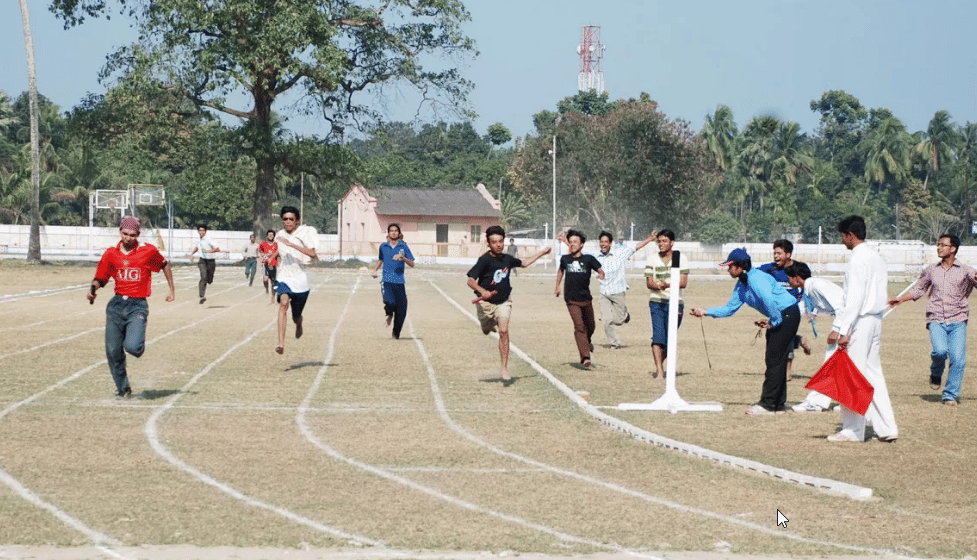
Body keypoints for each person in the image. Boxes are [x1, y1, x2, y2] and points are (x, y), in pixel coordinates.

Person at [690, 248, 800, 415]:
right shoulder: (741, 286)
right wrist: (705, 311)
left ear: (740, 266)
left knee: (774, 359)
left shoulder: (756, 279)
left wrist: (774, 322)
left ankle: (768, 405)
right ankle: (777, 404)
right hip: (782, 315)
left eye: (730, 266)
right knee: (776, 360)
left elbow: (768, 300)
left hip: (787, 314)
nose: (728, 269)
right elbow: (729, 309)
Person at [827, 215, 898, 442]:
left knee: (852, 376)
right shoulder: (875, 256)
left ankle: (853, 430)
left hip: (861, 320)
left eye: (843, 237)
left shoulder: (858, 259)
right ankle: (887, 428)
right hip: (875, 320)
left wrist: (843, 329)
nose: (842, 242)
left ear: (850, 235)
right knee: (873, 375)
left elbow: (854, 299)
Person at [87, 216, 176, 397]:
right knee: (113, 351)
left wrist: (171, 289)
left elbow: (164, 264)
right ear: (120, 232)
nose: (128, 238)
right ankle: (123, 389)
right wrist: (93, 289)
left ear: (138, 234)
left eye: (132, 235)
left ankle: (136, 341)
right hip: (117, 305)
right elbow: (101, 277)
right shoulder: (111, 253)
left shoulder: (147, 252)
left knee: (133, 348)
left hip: (137, 305)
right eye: (125, 234)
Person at [889, 234, 977, 406]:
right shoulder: (931, 270)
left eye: (943, 245)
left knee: (958, 359)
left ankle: (950, 395)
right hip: (936, 318)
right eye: (938, 245)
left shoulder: (966, 270)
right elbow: (918, 289)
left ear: (953, 249)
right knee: (940, 351)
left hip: (958, 319)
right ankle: (936, 372)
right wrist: (900, 299)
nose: (939, 248)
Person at [467, 226, 552, 384]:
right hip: (485, 304)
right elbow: (470, 280)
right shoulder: (484, 260)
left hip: (504, 301)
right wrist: (482, 291)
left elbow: (525, 263)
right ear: (488, 243)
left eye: (500, 241)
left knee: (504, 331)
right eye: (494, 242)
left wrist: (543, 253)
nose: (498, 245)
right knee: (486, 330)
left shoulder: (507, 259)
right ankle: (488, 324)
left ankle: (504, 368)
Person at [785, 262, 845, 412]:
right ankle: (848, 402)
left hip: (847, 324)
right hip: (847, 323)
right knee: (844, 366)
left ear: (797, 278)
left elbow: (842, 306)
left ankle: (816, 403)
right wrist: (777, 322)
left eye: (789, 278)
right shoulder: (809, 288)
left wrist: (837, 330)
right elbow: (801, 308)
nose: (788, 282)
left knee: (830, 363)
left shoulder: (817, 285)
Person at [267, 206, 318, 354]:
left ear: (296, 221)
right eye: (285, 219)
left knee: (296, 316)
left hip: (301, 281)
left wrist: (292, 244)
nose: (288, 222)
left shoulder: (304, 234)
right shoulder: (279, 235)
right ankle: (281, 343)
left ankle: (299, 323)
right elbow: (280, 249)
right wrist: (272, 257)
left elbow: (313, 254)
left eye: (291, 219)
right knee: (283, 303)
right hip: (283, 277)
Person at [759, 239, 811, 380]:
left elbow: (808, 288)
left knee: (783, 334)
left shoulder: (799, 268)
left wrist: (811, 309)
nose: (776, 256)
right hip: (778, 307)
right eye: (774, 253)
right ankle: (798, 340)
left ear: (788, 254)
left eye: (779, 253)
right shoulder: (770, 268)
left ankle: (787, 370)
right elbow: (753, 274)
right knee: (775, 334)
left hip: (796, 305)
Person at [555, 230, 604, 368]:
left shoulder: (588, 259)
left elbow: (600, 270)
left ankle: (586, 343)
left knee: (591, 326)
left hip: (586, 299)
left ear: (582, 244)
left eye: (575, 242)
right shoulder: (565, 259)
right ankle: (585, 356)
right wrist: (557, 286)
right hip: (571, 299)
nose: (572, 244)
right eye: (570, 242)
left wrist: (601, 275)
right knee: (579, 327)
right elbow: (560, 271)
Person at [644, 229, 689, 378]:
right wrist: (657, 286)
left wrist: (668, 284)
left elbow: (683, 282)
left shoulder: (679, 258)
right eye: (659, 241)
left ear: (672, 242)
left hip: (675, 302)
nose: (661, 244)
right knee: (658, 337)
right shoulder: (652, 258)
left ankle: (661, 364)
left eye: (664, 241)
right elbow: (649, 282)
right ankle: (659, 372)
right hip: (656, 302)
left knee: (670, 339)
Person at [373, 223, 414, 339]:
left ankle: (396, 334)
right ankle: (389, 313)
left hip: (400, 282)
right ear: (388, 233)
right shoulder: (383, 246)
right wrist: (375, 270)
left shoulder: (403, 246)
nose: (393, 232)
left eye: (396, 230)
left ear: (399, 233)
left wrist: (403, 258)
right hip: (387, 280)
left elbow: (412, 263)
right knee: (390, 302)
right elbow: (381, 259)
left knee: (402, 310)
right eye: (391, 230)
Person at [189, 224, 220, 304]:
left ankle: (209, 280)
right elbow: (197, 247)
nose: (201, 232)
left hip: (210, 261)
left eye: (203, 230)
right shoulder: (198, 239)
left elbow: (217, 249)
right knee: (203, 277)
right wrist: (192, 253)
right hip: (202, 261)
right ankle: (202, 296)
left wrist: (208, 251)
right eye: (200, 230)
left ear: (205, 231)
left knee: (209, 280)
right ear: (198, 231)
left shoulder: (209, 239)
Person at [259, 229, 278, 303]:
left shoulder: (276, 244)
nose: (270, 236)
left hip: (273, 265)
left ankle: (273, 297)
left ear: (274, 236)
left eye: (272, 235)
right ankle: (266, 289)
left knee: (273, 282)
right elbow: (260, 251)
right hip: (265, 264)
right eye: (269, 235)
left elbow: (278, 254)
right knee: (265, 279)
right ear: (266, 236)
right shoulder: (263, 244)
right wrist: (263, 255)